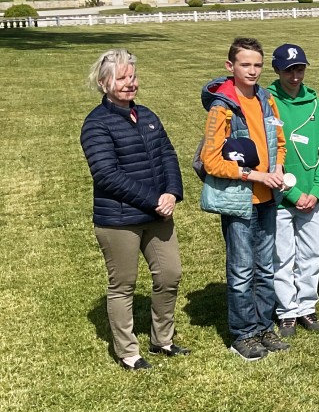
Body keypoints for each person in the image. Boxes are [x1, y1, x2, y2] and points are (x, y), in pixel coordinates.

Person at [82, 49, 185, 370]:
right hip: (118, 220)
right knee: (123, 284)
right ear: (104, 83)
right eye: (121, 78)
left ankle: (162, 339)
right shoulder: (96, 124)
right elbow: (106, 175)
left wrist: (172, 193)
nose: (130, 83)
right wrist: (155, 200)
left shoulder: (148, 116)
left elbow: (168, 154)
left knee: (170, 274)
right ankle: (128, 351)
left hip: (157, 215)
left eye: (133, 76)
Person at [199, 37, 289, 361]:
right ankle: (243, 333)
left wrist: (277, 167)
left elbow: (279, 141)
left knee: (265, 268)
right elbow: (211, 161)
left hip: (268, 198)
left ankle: (264, 326)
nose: (252, 71)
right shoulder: (222, 107)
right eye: (245, 64)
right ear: (230, 66)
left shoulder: (266, 99)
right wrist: (256, 176)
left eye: (257, 65)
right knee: (241, 271)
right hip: (240, 201)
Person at [267, 43, 319, 336]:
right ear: (277, 70)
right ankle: (286, 310)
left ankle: (306, 306)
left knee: (312, 254)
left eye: (300, 70)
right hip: (280, 198)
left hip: (311, 198)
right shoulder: (268, 101)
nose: (295, 76)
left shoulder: (316, 104)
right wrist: (292, 194)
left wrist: (316, 191)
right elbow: (268, 154)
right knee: (282, 257)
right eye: (289, 71)